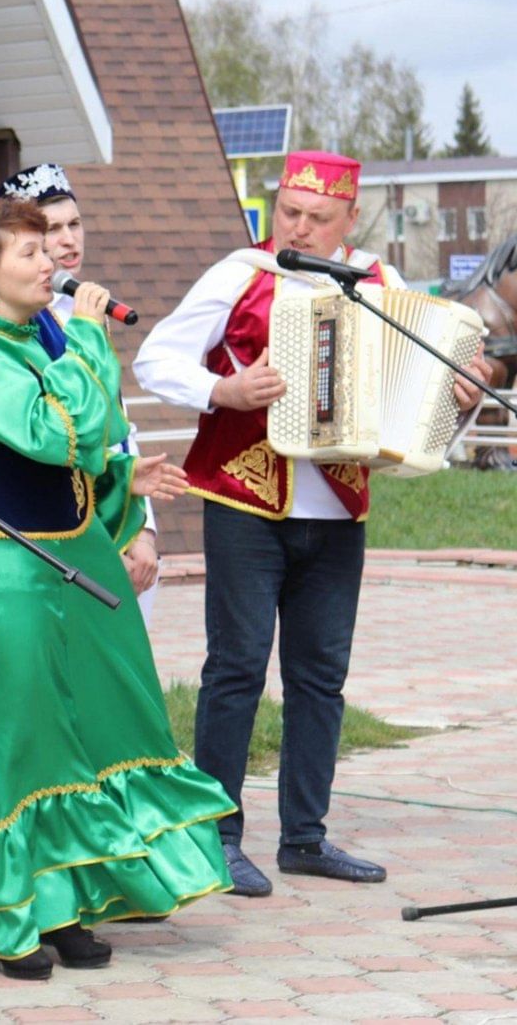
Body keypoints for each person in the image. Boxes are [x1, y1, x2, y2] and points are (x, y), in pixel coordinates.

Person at [134, 151, 494, 897]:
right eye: (289, 211)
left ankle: (304, 836)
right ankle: (217, 836)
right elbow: (155, 358)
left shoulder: (382, 284)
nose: (298, 227)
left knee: (321, 676)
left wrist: (460, 396)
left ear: (350, 219)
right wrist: (224, 389)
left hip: (337, 511)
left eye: (316, 217)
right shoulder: (241, 272)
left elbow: (422, 400)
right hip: (245, 501)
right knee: (236, 668)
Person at [0, 194, 232, 979]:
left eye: (49, 245)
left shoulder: (37, 340)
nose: (50, 260)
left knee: (80, 731)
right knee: (10, 738)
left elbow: (85, 449)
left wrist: (124, 479)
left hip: (68, 557)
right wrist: (90, 336)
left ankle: (62, 902)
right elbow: (54, 432)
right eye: (29, 251)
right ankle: (8, 915)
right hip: (0, 569)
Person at [0, 164, 181, 621]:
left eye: (75, 224)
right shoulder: (18, 326)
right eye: (51, 229)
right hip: (66, 526)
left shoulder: (83, 311)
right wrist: (103, 539)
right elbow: (55, 434)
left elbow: (118, 427)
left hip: (121, 509)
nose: (68, 240)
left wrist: (143, 529)